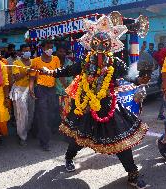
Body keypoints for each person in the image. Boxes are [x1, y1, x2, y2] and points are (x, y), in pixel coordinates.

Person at [43, 15, 149, 188]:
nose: (100, 47)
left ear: (110, 45)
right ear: (91, 43)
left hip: (109, 107)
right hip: (87, 106)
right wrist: (50, 72)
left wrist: (139, 80)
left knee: (121, 142)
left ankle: (133, 174)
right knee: (80, 138)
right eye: (97, 43)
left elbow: (129, 76)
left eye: (104, 44)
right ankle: (69, 157)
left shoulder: (115, 62)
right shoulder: (85, 63)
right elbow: (67, 70)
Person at [29, 40, 61, 151]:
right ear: (42, 48)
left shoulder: (56, 59)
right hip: (40, 89)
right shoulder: (36, 61)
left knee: (51, 113)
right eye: (48, 47)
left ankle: (37, 131)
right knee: (43, 115)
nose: (50, 49)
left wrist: (67, 87)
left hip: (52, 89)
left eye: (52, 47)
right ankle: (44, 142)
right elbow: (32, 77)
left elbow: (59, 74)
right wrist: (31, 89)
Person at [10, 44, 34, 146]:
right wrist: (27, 71)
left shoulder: (33, 62)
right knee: (21, 114)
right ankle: (22, 136)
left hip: (31, 89)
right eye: (25, 50)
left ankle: (26, 131)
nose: (27, 52)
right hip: (19, 90)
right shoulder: (16, 63)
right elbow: (16, 77)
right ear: (21, 52)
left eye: (29, 50)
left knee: (31, 112)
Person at [55, 45, 74, 121]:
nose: (62, 53)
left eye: (64, 52)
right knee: (57, 113)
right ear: (56, 52)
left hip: (67, 93)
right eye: (60, 51)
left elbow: (72, 78)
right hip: (56, 93)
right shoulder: (53, 62)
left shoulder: (70, 63)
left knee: (67, 112)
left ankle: (65, 128)